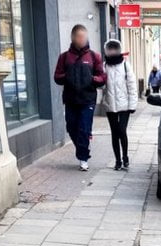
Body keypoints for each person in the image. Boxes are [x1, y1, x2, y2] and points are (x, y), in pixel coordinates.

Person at [53, 24, 106, 171]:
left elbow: (102, 77)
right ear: (73, 38)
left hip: (88, 99)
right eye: (79, 37)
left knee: (83, 128)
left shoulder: (94, 57)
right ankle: (83, 148)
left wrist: (92, 79)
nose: (82, 39)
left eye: (84, 37)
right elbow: (57, 77)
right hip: (70, 99)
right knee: (71, 127)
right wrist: (68, 76)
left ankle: (83, 158)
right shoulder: (64, 57)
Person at [101, 39, 138, 170]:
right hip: (110, 105)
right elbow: (101, 86)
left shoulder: (125, 65)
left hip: (124, 105)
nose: (112, 51)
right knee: (114, 133)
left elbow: (132, 85)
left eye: (114, 48)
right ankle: (117, 160)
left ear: (118, 49)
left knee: (122, 130)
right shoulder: (104, 65)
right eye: (109, 49)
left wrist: (133, 105)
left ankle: (125, 157)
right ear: (107, 50)